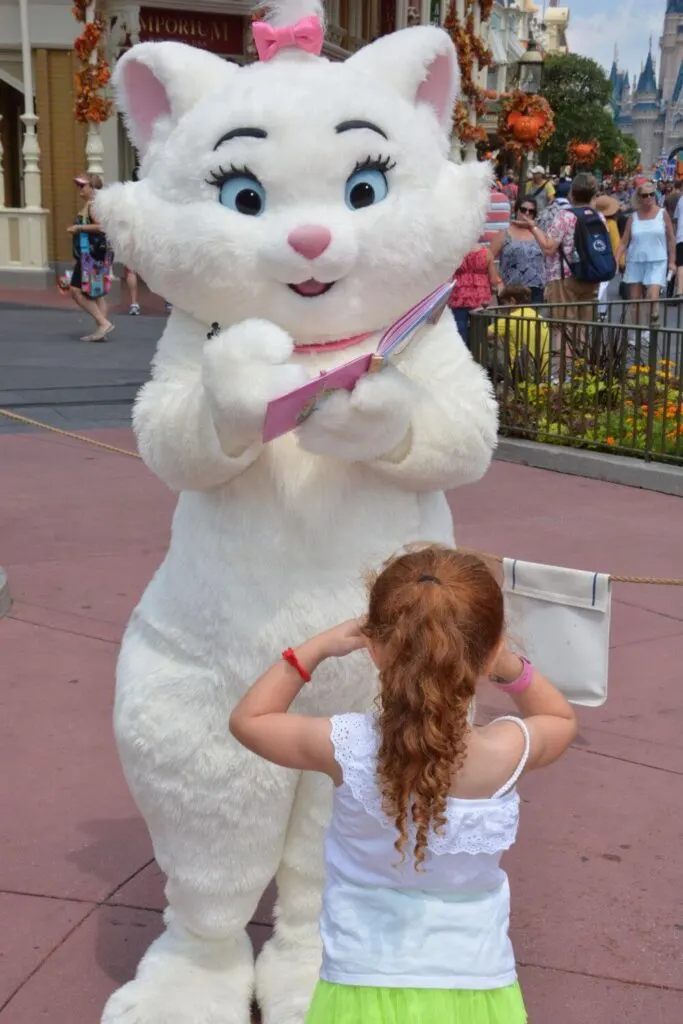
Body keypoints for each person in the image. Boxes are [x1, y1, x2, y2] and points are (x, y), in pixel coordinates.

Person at [230, 545, 578, 1024]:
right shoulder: (506, 752)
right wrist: (508, 664)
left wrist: (318, 646)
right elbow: (558, 718)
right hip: (477, 990)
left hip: (361, 987)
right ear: (490, 650)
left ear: (375, 650)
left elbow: (250, 720)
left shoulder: (345, 747)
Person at [616, 179, 675, 328]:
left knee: (652, 296)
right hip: (636, 261)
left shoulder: (663, 214)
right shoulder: (633, 217)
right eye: (645, 195)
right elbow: (624, 242)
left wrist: (672, 262)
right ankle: (637, 331)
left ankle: (650, 330)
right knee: (635, 299)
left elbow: (671, 239)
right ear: (639, 197)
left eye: (651, 194)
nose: (649, 198)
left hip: (657, 261)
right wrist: (616, 259)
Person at [66, 174, 114, 342]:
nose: (80, 189)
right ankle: (101, 329)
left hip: (92, 254)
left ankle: (102, 322)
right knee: (97, 292)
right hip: (96, 253)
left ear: (93, 188)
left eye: (83, 186)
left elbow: (102, 226)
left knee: (76, 290)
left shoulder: (93, 205)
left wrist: (78, 227)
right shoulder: (95, 205)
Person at [490, 197, 546, 304]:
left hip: (537, 289)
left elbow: (548, 257)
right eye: (523, 209)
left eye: (531, 211)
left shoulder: (539, 233)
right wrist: (498, 282)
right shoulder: (504, 234)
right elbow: (487, 258)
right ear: (516, 210)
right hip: (510, 290)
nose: (527, 213)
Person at [489, 282, 551, 375]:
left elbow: (483, 334)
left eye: (504, 303)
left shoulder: (510, 318)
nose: (504, 308)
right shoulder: (539, 317)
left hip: (519, 372)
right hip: (543, 371)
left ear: (512, 301)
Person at [449, 245, 500, 346]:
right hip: (481, 299)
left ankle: (462, 356)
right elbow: (494, 280)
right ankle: (478, 356)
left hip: (459, 296)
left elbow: (448, 277)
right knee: (480, 332)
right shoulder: (487, 252)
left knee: (459, 330)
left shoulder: (455, 252)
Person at [592, 194, 622, 318]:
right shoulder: (611, 223)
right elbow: (616, 243)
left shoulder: (592, 221)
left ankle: (600, 310)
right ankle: (599, 309)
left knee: (599, 284)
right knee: (604, 285)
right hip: (607, 258)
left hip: (594, 256)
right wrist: (621, 261)